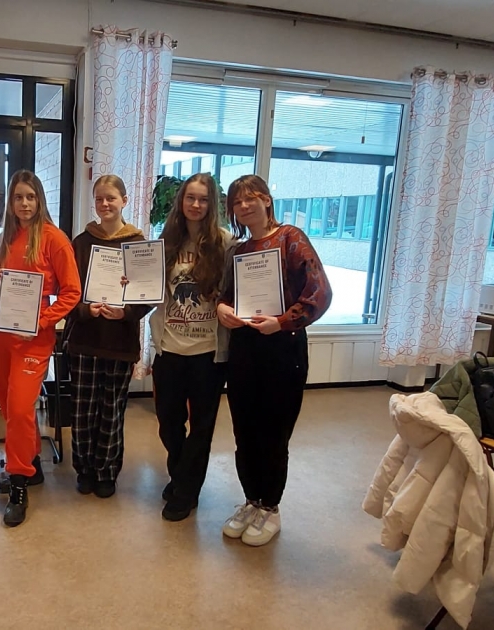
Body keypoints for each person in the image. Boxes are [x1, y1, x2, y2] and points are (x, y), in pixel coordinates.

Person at [216, 174, 331, 547]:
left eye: (251, 198)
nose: (244, 206)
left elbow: (319, 293)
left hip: (283, 347)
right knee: (244, 430)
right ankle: (252, 500)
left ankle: (271, 506)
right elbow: (227, 295)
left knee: (273, 432)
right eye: (237, 202)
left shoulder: (290, 238)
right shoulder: (239, 251)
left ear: (266, 200)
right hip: (245, 348)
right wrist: (222, 310)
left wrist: (281, 322)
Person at [0, 170, 81, 527]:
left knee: (21, 407)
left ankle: (18, 483)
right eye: (18, 197)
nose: (24, 204)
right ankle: (31, 465)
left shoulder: (54, 239)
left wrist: (43, 320)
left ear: (39, 199)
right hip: (2, 334)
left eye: (30, 197)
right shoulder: (4, 238)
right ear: (10, 202)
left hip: (34, 338)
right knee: (10, 408)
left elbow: (72, 292)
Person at [151, 173, 235, 522]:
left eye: (203, 199)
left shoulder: (226, 243)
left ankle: (186, 491)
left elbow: (236, 290)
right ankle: (181, 476)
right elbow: (151, 288)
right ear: (181, 201)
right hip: (169, 347)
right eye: (190, 198)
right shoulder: (167, 241)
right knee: (168, 423)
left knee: (202, 427)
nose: (196, 205)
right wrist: (132, 283)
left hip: (207, 352)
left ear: (212, 204)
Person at [64, 175, 153, 498]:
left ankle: (106, 472)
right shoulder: (81, 243)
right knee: (82, 410)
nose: (104, 204)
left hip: (119, 342)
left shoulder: (139, 245)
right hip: (85, 339)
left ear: (124, 201)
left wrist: (126, 312)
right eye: (99, 198)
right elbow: (68, 292)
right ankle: (85, 469)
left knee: (111, 411)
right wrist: (85, 309)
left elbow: (148, 295)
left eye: (111, 198)